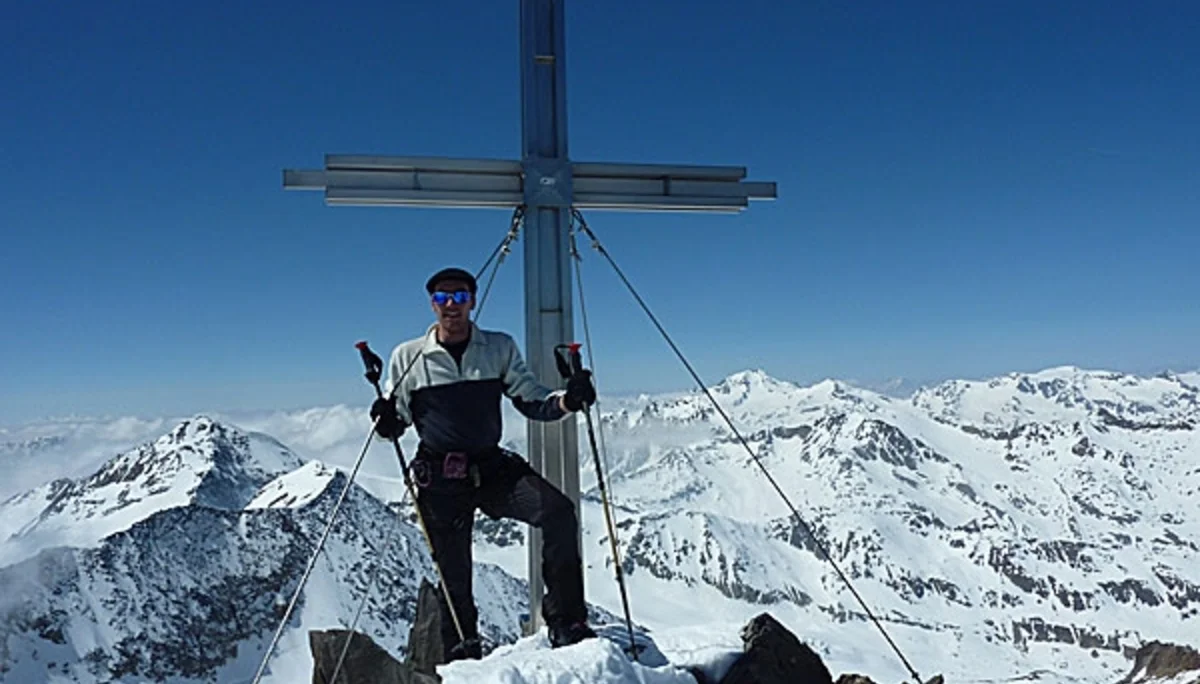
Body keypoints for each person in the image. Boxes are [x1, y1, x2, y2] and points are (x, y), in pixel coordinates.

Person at [369, 266, 598, 662]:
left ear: (472, 301)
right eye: (442, 298)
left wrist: (568, 400)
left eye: (459, 297)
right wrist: (386, 422)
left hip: (492, 469)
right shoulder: (408, 357)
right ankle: (461, 647)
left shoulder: (498, 347)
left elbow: (530, 399)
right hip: (440, 477)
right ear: (432, 304)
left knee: (557, 512)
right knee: (453, 570)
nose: (451, 306)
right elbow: (398, 420)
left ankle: (566, 622)